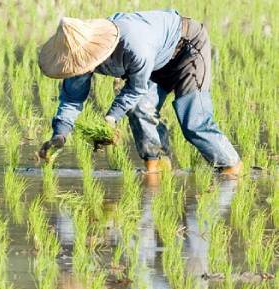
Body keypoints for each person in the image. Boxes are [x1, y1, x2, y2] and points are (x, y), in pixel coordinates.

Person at [38, 9, 242, 175]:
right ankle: (157, 166)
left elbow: (136, 88)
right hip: (156, 59)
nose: (83, 68)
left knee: (193, 121)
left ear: (95, 49)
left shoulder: (133, 45)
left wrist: (111, 118)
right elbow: (72, 98)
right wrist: (60, 135)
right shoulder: (77, 59)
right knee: (138, 108)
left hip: (186, 49)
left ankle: (231, 167)